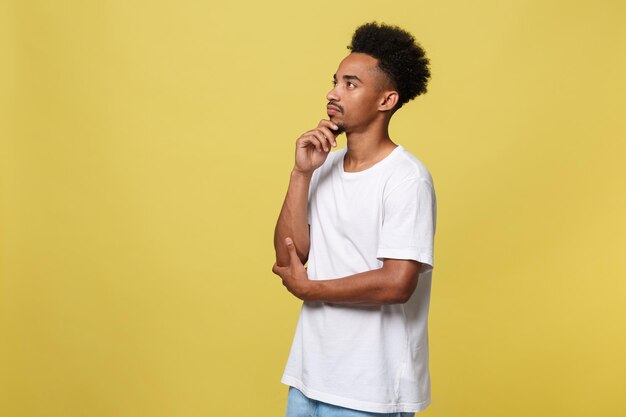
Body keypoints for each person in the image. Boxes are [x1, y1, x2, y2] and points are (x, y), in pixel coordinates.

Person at [272, 22, 436, 417]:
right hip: (309, 378)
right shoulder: (322, 166)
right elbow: (289, 253)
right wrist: (300, 174)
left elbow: (398, 283)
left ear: (386, 100)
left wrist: (311, 289)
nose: (333, 93)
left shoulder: (406, 178)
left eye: (350, 84)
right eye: (335, 81)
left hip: (370, 392)